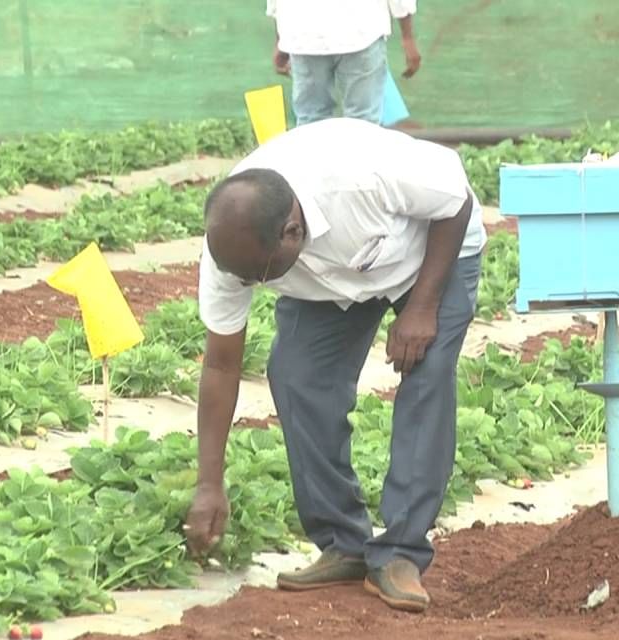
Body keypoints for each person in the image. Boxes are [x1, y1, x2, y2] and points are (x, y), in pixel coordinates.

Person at [184, 117, 485, 614]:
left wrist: (423, 307)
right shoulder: (232, 253)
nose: (249, 285)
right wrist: (209, 483)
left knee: (426, 374)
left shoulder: (358, 177)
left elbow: (455, 198)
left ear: (291, 231)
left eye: (259, 275)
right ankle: (342, 542)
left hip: (429, 254)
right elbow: (220, 367)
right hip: (328, 283)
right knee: (297, 376)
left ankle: (402, 553)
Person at [267, 0, 422, 126]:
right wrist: (407, 37)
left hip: (304, 33)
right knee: (363, 122)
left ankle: (313, 164)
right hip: (361, 30)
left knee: (311, 121)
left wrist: (280, 39)